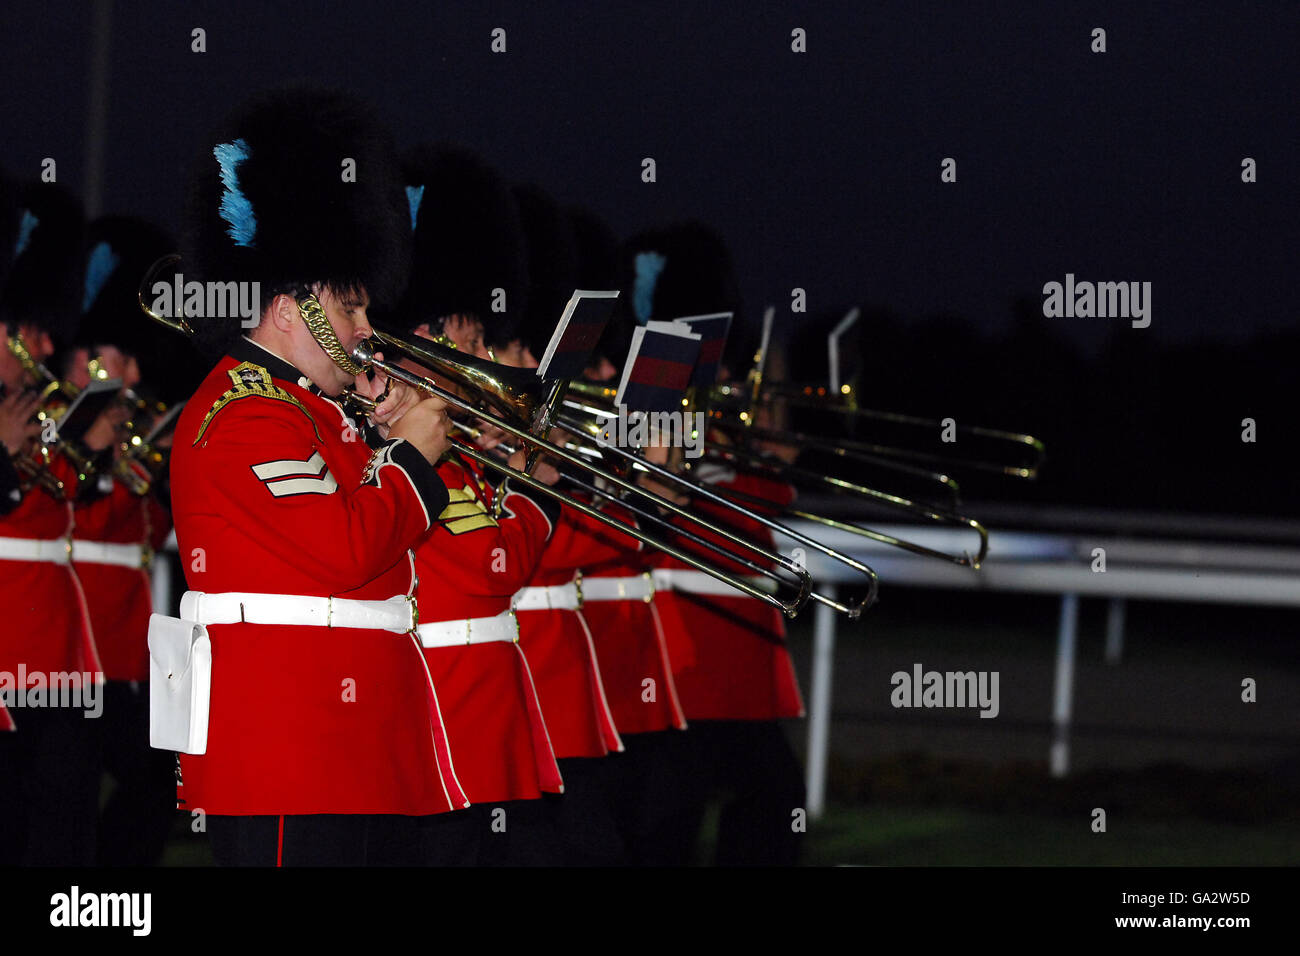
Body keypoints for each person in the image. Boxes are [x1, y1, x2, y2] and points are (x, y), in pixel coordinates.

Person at [165, 86, 460, 866]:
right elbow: (344, 546)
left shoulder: (307, 411)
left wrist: (382, 437)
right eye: (353, 309)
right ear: (292, 305)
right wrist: (411, 458)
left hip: (353, 752)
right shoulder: (244, 414)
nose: (368, 332)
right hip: (291, 756)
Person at [619, 221, 807, 866]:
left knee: (774, 808)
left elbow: (768, 511)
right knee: (670, 818)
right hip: (683, 641)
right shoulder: (656, 408)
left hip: (743, 639)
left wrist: (768, 446)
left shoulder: (732, 422)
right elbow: (654, 516)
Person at [397, 144, 564, 865]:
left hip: (490, 724)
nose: (476, 343)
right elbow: (489, 566)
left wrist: (521, 466)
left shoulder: (457, 440)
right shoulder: (408, 436)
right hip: (436, 722)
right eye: (462, 326)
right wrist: (534, 480)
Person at [67, 216, 186, 865]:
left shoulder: (124, 428)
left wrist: (160, 478)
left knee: (155, 780)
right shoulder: (54, 428)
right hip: (69, 648)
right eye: (119, 353)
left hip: (126, 653)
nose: (133, 370)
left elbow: (153, 535)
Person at [0, 179, 104, 866]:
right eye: (24, 329)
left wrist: (92, 451)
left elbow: (77, 498)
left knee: (61, 820)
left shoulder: (33, 405)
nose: (41, 344)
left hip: (57, 647)